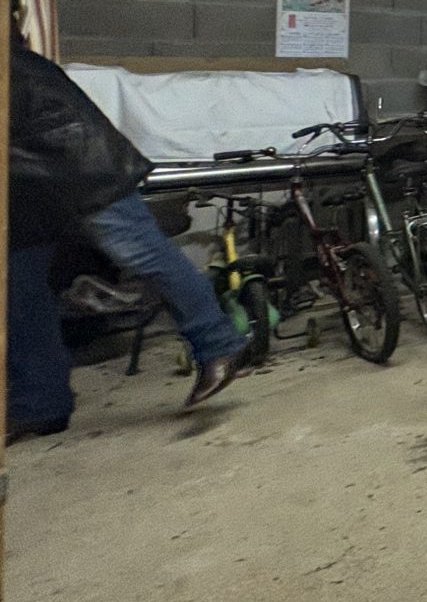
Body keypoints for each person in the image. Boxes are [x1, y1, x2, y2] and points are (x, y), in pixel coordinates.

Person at [9, 21, 248, 439]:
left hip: (80, 171)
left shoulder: (13, 64)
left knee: (144, 255)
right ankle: (41, 404)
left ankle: (220, 346)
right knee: (19, 288)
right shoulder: (22, 59)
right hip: (29, 187)